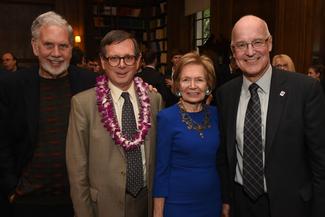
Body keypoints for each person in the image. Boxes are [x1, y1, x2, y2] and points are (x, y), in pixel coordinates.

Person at [216, 15, 325, 217]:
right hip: (241, 204)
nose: (250, 52)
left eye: (257, 42)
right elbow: (224, 155)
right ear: (233, 51)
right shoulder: (225, 94)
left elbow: (320, 162)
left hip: (293, 206)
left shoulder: (305, 90)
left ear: (270, 43)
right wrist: (226, 200)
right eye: (241, 45)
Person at [0, 11, 98, 217]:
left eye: (63, 45)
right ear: (35, 46)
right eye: (48, 45)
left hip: (79, 202)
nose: (56, 53)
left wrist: (145, 87)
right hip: (27, 201)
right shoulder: (12, 85)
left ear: (71, 49)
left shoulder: (92, 82)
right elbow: (2, 141)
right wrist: (11, 189)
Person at [66, 30, 164, 217]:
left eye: (128, 57)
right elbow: (77, 171)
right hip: (104, 205)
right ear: (103, 61)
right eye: (114, 58)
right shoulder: (82, 104)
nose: (122, 65)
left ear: (138, 60)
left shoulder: (154, 99)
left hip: (146, 201)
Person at [153, 52, 221, 217]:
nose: (192, 86)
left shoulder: (217, 114)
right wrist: (158, 212)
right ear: (177, 85)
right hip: (178, 203)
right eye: (185, 80)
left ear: (208, 85)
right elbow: (161, 170)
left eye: (199, 79)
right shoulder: (167, 117)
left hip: (212, 200)